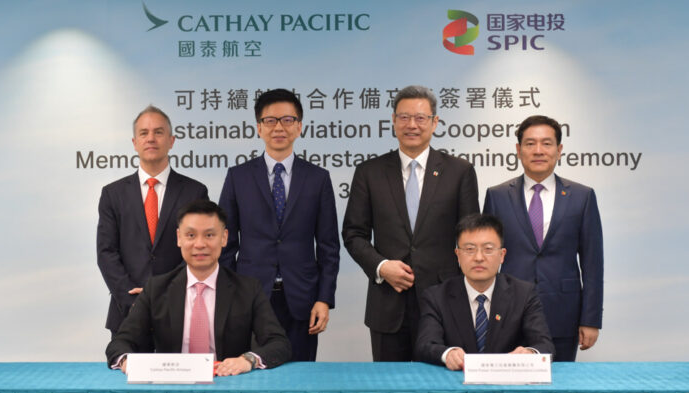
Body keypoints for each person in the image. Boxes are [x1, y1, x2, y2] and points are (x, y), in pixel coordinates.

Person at [342, 85, 479, 361]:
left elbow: (471, 238)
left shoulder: (459, 171)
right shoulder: (370, 172)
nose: (412, 125)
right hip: (388, 303)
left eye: (420, 118)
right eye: (404, 117)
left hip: (445, 301)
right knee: (389, 389)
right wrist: (381, 266)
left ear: (435, 122)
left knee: (443, 388)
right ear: (393, 121)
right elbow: (353, 233)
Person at [218, 89, 339, 361]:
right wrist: (231, 296)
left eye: (287, 120)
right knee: (250, 377)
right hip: (250, 297)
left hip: (302, 300)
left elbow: (329, 247)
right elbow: (225, 244)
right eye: (270, 121)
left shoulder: (318, 178)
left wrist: (324, 299)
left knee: (300, 380)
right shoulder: (238, 177)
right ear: (259, 128)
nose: (279, 128)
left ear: (299, 127)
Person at [106, 200, 291, 376]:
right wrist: (126, 361)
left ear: (224, 238)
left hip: (228, 384)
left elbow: (279, 343)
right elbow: (121, 342)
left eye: (209, 235)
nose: (200, 244)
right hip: (173, 388)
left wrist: (247, 360)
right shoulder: (157, 289)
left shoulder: (248, 289)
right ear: (179, 238)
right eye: (191, 235)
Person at [483, 115, 603, 362]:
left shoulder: (582, 197)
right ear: (518, 150)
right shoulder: (496, 197)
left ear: (559, 150)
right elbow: (486, 259)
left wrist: (590, 319)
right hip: (507, 314)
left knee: (559, 390)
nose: (538, 151)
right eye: (530, 143)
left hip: (563, 314)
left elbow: (593, 264)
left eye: (547, 143)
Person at [97, 105, 209, 336]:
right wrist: (132, 298)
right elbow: (106, 252)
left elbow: (201, 250)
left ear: (171, 140)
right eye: (144, 133)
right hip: (126, 312)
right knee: (129, 372)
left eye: (158, 132)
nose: (151, 139)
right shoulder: (113, 194)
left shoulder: (194, 191)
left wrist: (165, 293)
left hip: (180, 307)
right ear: (134, 142)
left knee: (184, 373)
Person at [415, 213, 554, 370]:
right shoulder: (436, 296)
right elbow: (425, 345)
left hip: (506, 383)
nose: (479, 257)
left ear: (502, 255)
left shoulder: (524, 294)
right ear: (458, 255)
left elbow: (545, 345)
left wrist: (530, 353)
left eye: (488, 249)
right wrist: (448, 354)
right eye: (469, 249)